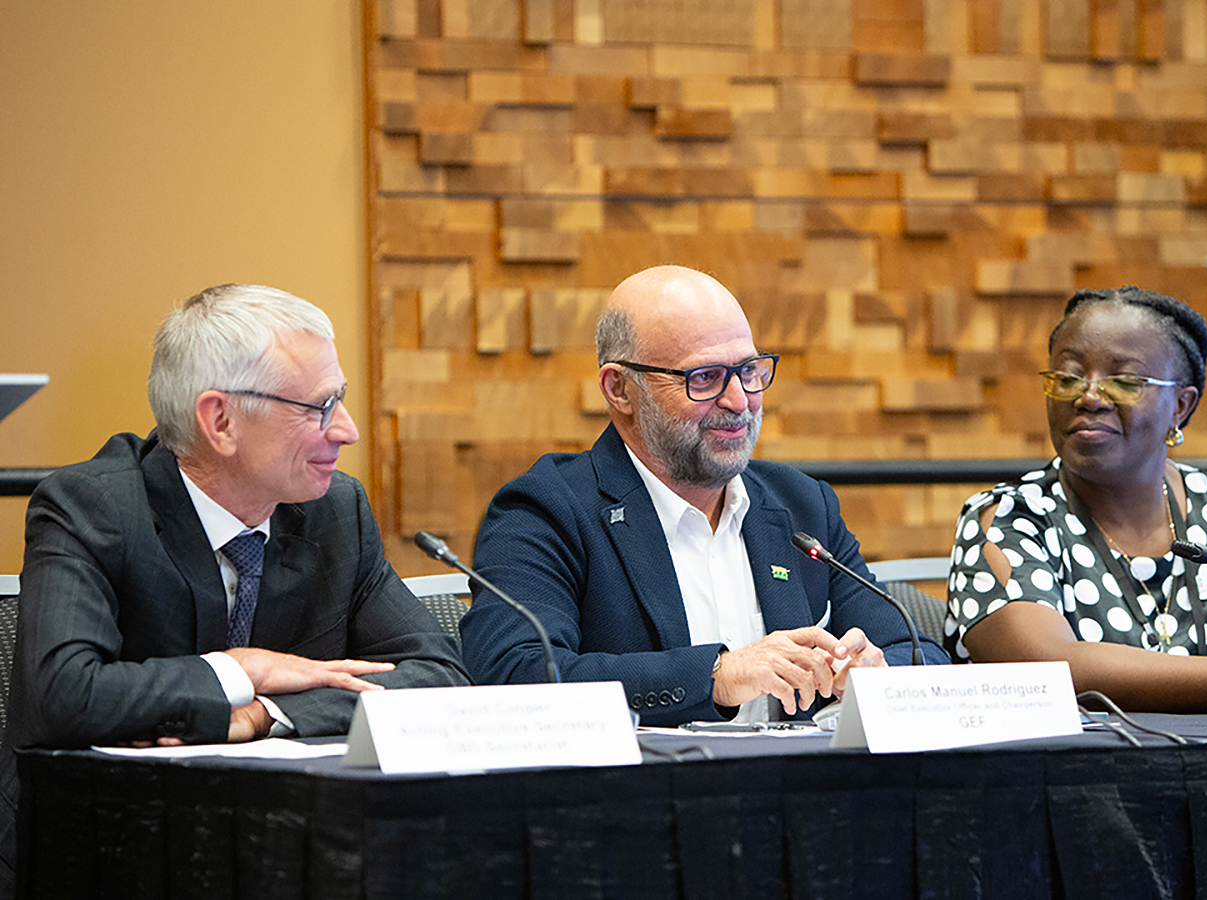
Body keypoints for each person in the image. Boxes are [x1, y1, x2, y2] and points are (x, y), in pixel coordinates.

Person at [1, 285, 469, 888]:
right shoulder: (92, 508)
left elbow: (437, 676)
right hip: (98, 858)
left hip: (276, 853)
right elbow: (64, 693)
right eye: (318, 407)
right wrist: (241, 669)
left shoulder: (336, 513)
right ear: (220, 421)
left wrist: (265, 713)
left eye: (341, 399)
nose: (348, 430)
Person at [460, 265, 947, 727]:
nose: (739, 401)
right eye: (704, 378)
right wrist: (715, 677)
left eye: (749, 371)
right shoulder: (546, 510)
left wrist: (879, 672)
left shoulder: (801, 505)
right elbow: (516, 675)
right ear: (620, 389)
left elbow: (918, 653)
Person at [946, 285, 1207, 711]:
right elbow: (1044, 665)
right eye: (1067, 379)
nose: (1087, 397)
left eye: (1123, 382)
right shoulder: (1011, 518)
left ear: (1180, 405)